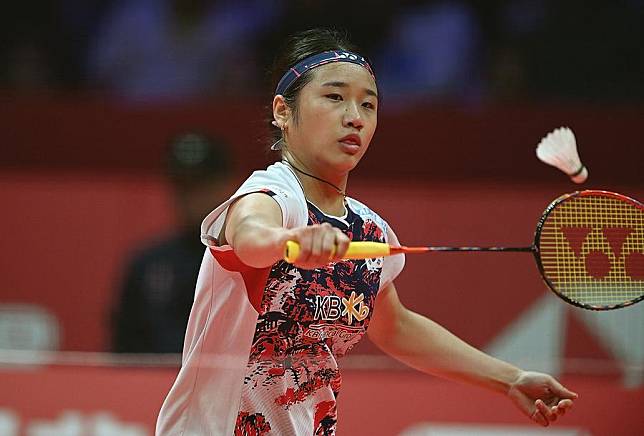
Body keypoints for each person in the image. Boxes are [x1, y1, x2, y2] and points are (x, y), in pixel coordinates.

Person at [156, 28, 577, 435]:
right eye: (334, 97)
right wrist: (293, 241)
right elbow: (250, 235)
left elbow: (396, 327)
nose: (354, 118)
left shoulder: (370, 230)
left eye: (368, 105)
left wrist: (510, 379)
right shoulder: (273, 195)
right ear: (283, 111)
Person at [112, 132, 233, 353]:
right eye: (182, 186)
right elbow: (123, 350)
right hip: (153, 384)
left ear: (225, 185)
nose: (190, 197)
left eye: (201, 185)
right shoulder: (147, 265)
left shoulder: (246, 262)